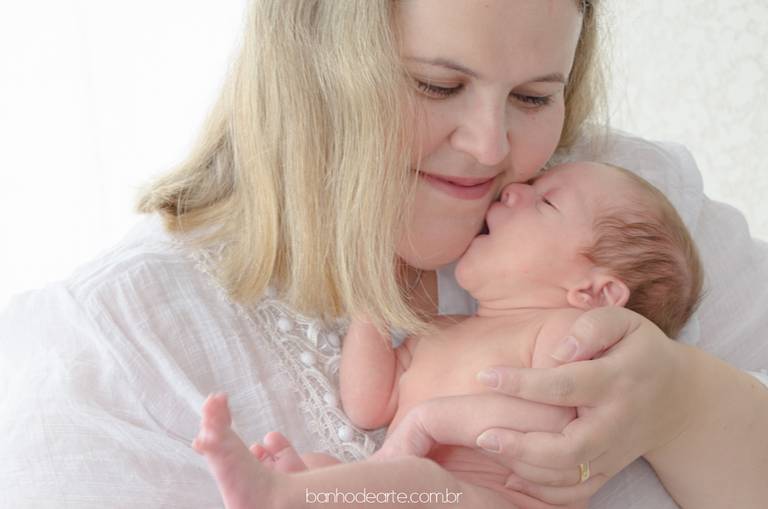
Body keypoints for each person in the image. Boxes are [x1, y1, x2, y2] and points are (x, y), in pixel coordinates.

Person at [1, 1, 767, 508]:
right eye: (438, 85)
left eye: (534, 97)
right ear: (312, 70)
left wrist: (686, 403)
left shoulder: (631, 206)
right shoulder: (106, 353)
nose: (492, 149)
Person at [191, 161, 705, 508]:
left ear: (593, 293)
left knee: (416, 482)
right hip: (414, 494)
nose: (515, 189)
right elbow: (369, 406)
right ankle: (296, 489)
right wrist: (372, 303)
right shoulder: (443, 331)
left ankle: (280, 494)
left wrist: (427, 423)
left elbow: (552, 420)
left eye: (546, 204)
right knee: (334, 470)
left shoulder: (569, 333)